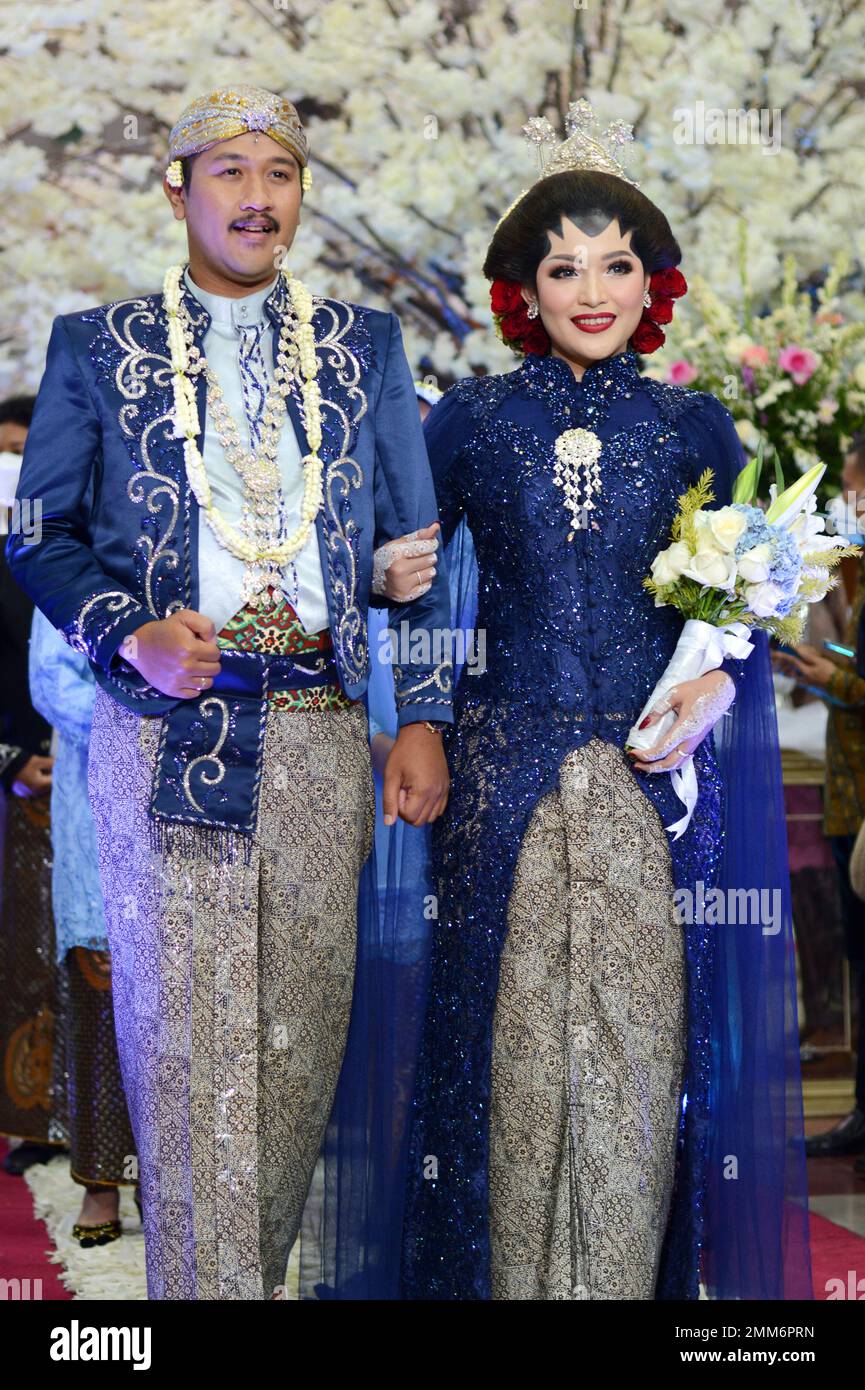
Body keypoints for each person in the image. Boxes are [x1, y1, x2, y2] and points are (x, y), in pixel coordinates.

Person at [7, 84, 452, 1300]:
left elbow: (412, 553)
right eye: (231, 174)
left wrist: (420, 716)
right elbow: (38, 531)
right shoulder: (96, 346)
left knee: (295, 1051)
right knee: (186, 1051)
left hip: (316, 730)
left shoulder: (363, 347)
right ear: (180, 188)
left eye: (281, 174)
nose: (258, 199)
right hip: (163, 734)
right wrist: (128, 635)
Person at [391, 103, 811, 1301]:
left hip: (647, 779)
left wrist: (717, 677)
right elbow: (415, 575)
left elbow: (760, 585)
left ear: (650, 282)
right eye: (562, 264)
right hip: (500, 770)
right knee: (510, 1048)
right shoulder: (468, 417)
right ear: (524, 286)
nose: (591, 287)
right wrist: (421, 716)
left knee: (637, 1048)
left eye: (615, 262)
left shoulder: (691, 423)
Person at [29, 606, 138, 1246]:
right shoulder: (68, 555)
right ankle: (100, 1185)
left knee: (178, 1000)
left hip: (185, 795)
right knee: (101, 995)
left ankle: (171, 1181)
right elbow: (51, 682)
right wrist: (144, 727)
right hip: (97, 798)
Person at [778, 433, 865, 1163]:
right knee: (856, 961)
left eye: (853, 486)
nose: (848, 501)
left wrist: (823, 678)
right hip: (847, 793)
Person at [0, 394, 65, 1174]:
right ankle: (28, 1117)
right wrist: (12, 760)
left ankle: (100, 1135)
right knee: (21, 947)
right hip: (18, 776)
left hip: (97, 766)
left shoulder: (93, 546)